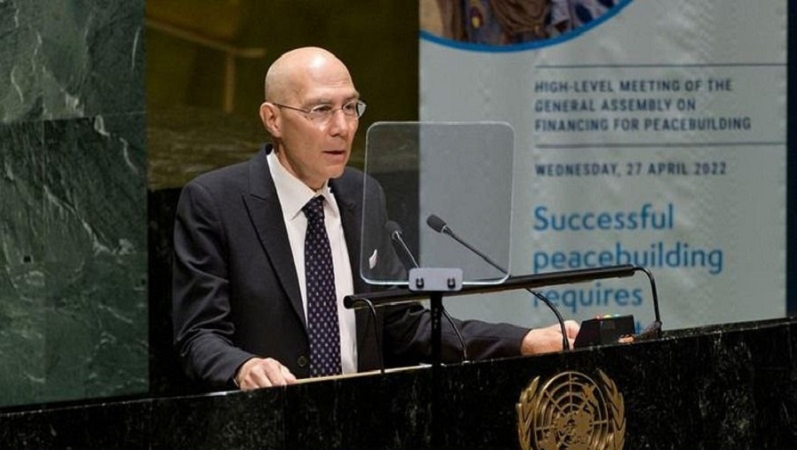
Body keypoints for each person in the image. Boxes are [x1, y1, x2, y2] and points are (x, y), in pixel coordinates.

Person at [172, 46, 579, 391]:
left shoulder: (362, 194)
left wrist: (522, 341)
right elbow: (199, 336)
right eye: (321, 110)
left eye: (350, 108)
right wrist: (244, 366)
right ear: (272, 119)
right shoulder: (216, 202)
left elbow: (403, 324)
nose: (342, 127)